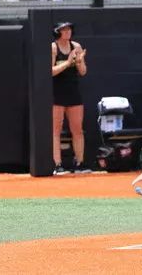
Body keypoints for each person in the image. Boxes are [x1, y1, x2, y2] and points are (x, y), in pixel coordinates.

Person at [51, 22, 90, 175]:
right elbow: (50, 71)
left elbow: (83, 71)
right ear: (57, 32)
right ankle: (57, 164)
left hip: (73, 91)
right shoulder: (53, 47)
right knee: (56, 129)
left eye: (69, 29)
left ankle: (80, 163)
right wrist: (67, 63)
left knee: (77, 129)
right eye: (64, 30)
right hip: (57, 92)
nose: (68, 32)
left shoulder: (76, 46)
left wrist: (78, 61)